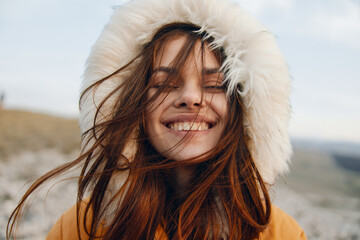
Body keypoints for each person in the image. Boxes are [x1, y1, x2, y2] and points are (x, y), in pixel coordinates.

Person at [7, 0, 307, 239]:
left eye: (215, 85)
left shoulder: (282, 234)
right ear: (133, 102)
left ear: (243, 109)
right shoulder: (80, 228)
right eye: (164, 84)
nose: (190, 97)